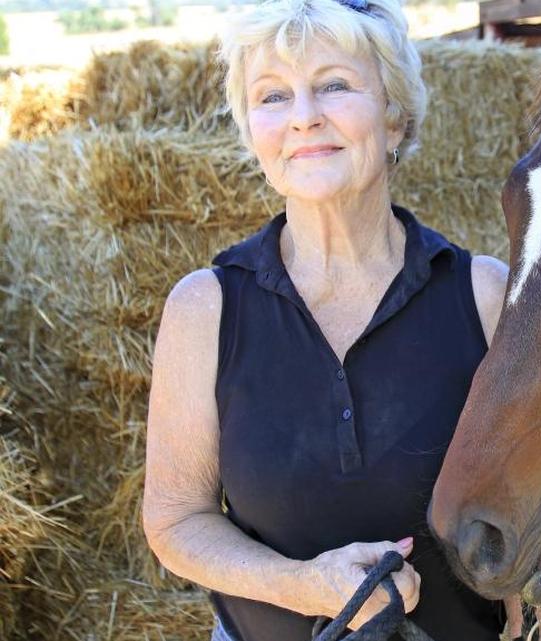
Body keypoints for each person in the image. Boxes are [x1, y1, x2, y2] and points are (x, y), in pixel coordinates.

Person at [141, 0, 509, 639]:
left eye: (335, 86)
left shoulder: (485, 296)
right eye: (273, 96)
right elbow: (175, 521)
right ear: (252, 130)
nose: (304, 118)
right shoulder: (205, 309)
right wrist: (303, 584)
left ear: (393, 118)